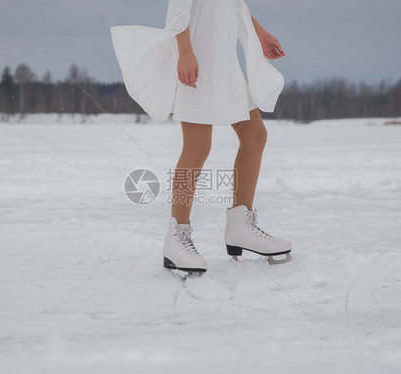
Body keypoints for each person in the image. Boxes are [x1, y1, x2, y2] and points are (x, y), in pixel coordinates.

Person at [111, 0, 292, 274]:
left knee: (255, 136)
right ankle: (177, 237)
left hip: (226, 67)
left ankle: (240, 227)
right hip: (198, 63)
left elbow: (234, 5)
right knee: (197, 147)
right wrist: (185, 52)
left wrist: (261, 33)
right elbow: (178, 10)